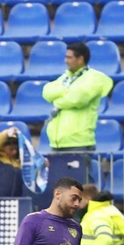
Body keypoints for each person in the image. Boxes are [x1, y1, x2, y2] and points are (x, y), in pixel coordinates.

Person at [41, 42, 112, 189]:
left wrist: (58, 100)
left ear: (80, 59)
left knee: (82, 187)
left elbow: (78, 98)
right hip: (57, 143)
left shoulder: (94, 77)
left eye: (69, 57)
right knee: (60, 188)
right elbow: (47, 92)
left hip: (79, 142)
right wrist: (66, 91)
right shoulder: (66, 77)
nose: (65, 60)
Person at [0, 126, 24, 198]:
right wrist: (6, 134)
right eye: (9, 144)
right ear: (2, 147)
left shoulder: (21, 162)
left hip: (15, 201)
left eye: (15, 143)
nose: (13, 146)